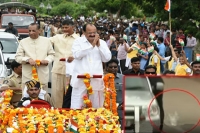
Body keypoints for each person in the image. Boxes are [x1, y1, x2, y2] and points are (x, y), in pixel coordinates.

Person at [70, 23, 111, 109]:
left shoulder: (102, 43)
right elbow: (77, 55)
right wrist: (92, 46)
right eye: (89, 33)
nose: (92, 35)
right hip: (80, 81)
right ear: (84, 32)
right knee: (77, 107)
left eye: (94, 32)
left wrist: (99, 46)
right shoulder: (78, 42)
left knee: (97, 107)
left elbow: (107, 58)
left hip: (96, 80)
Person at [15, 23, 55, 92]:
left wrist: (47, 60)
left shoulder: (46, 41)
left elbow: (52, 55)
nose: (31, 33)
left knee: (42, 98)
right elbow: (18, 57)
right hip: (28, 76)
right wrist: (27, 59)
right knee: (27, 99)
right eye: (29, 31)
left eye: (33, 31)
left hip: (42, 74)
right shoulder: (23, 42)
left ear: (39, 31)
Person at [49, 19, 79, 108]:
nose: (65, 29)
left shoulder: (79, 39)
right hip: (58, 69)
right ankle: (57, 116)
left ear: (73, 27)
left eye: (67, 27)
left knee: (70, 95)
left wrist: (74, 57)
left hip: (72, 72)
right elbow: (45, 42)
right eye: (63, 27)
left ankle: (68, 115)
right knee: (56, 94)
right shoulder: (57, 37)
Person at [144, 65, 164, 131]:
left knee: (159, 108)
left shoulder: (158, 79)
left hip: (156, 100)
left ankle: (160, 125)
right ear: (145, 73)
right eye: (148, 73)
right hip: (143, 100)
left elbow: (160, 86)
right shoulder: (142, 79)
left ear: (155, 73)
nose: (150, 74)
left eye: (152, 73)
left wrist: (154, 88)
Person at [105, 58, 123, 129]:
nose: (113, 69)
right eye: (111, 67)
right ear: (106, 68)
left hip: (120, 108)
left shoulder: (123, 78)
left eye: (115, 67)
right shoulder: (102, 79)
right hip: (106, 108)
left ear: (118, 67)